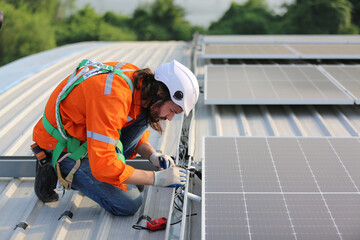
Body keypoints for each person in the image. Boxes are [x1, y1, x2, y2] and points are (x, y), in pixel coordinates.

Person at [32, 59, 199, 216]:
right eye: (172, 111)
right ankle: (52, 165)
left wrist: (152, 154)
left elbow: (127, 122)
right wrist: (156, 178)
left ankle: (119, 173)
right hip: (63, 146)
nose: (170, 118)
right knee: (129, 203)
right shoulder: (113, 96)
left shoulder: (140, 84)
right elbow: (103, 166)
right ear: (162, 92)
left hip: (87, 137)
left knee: (146, 115)